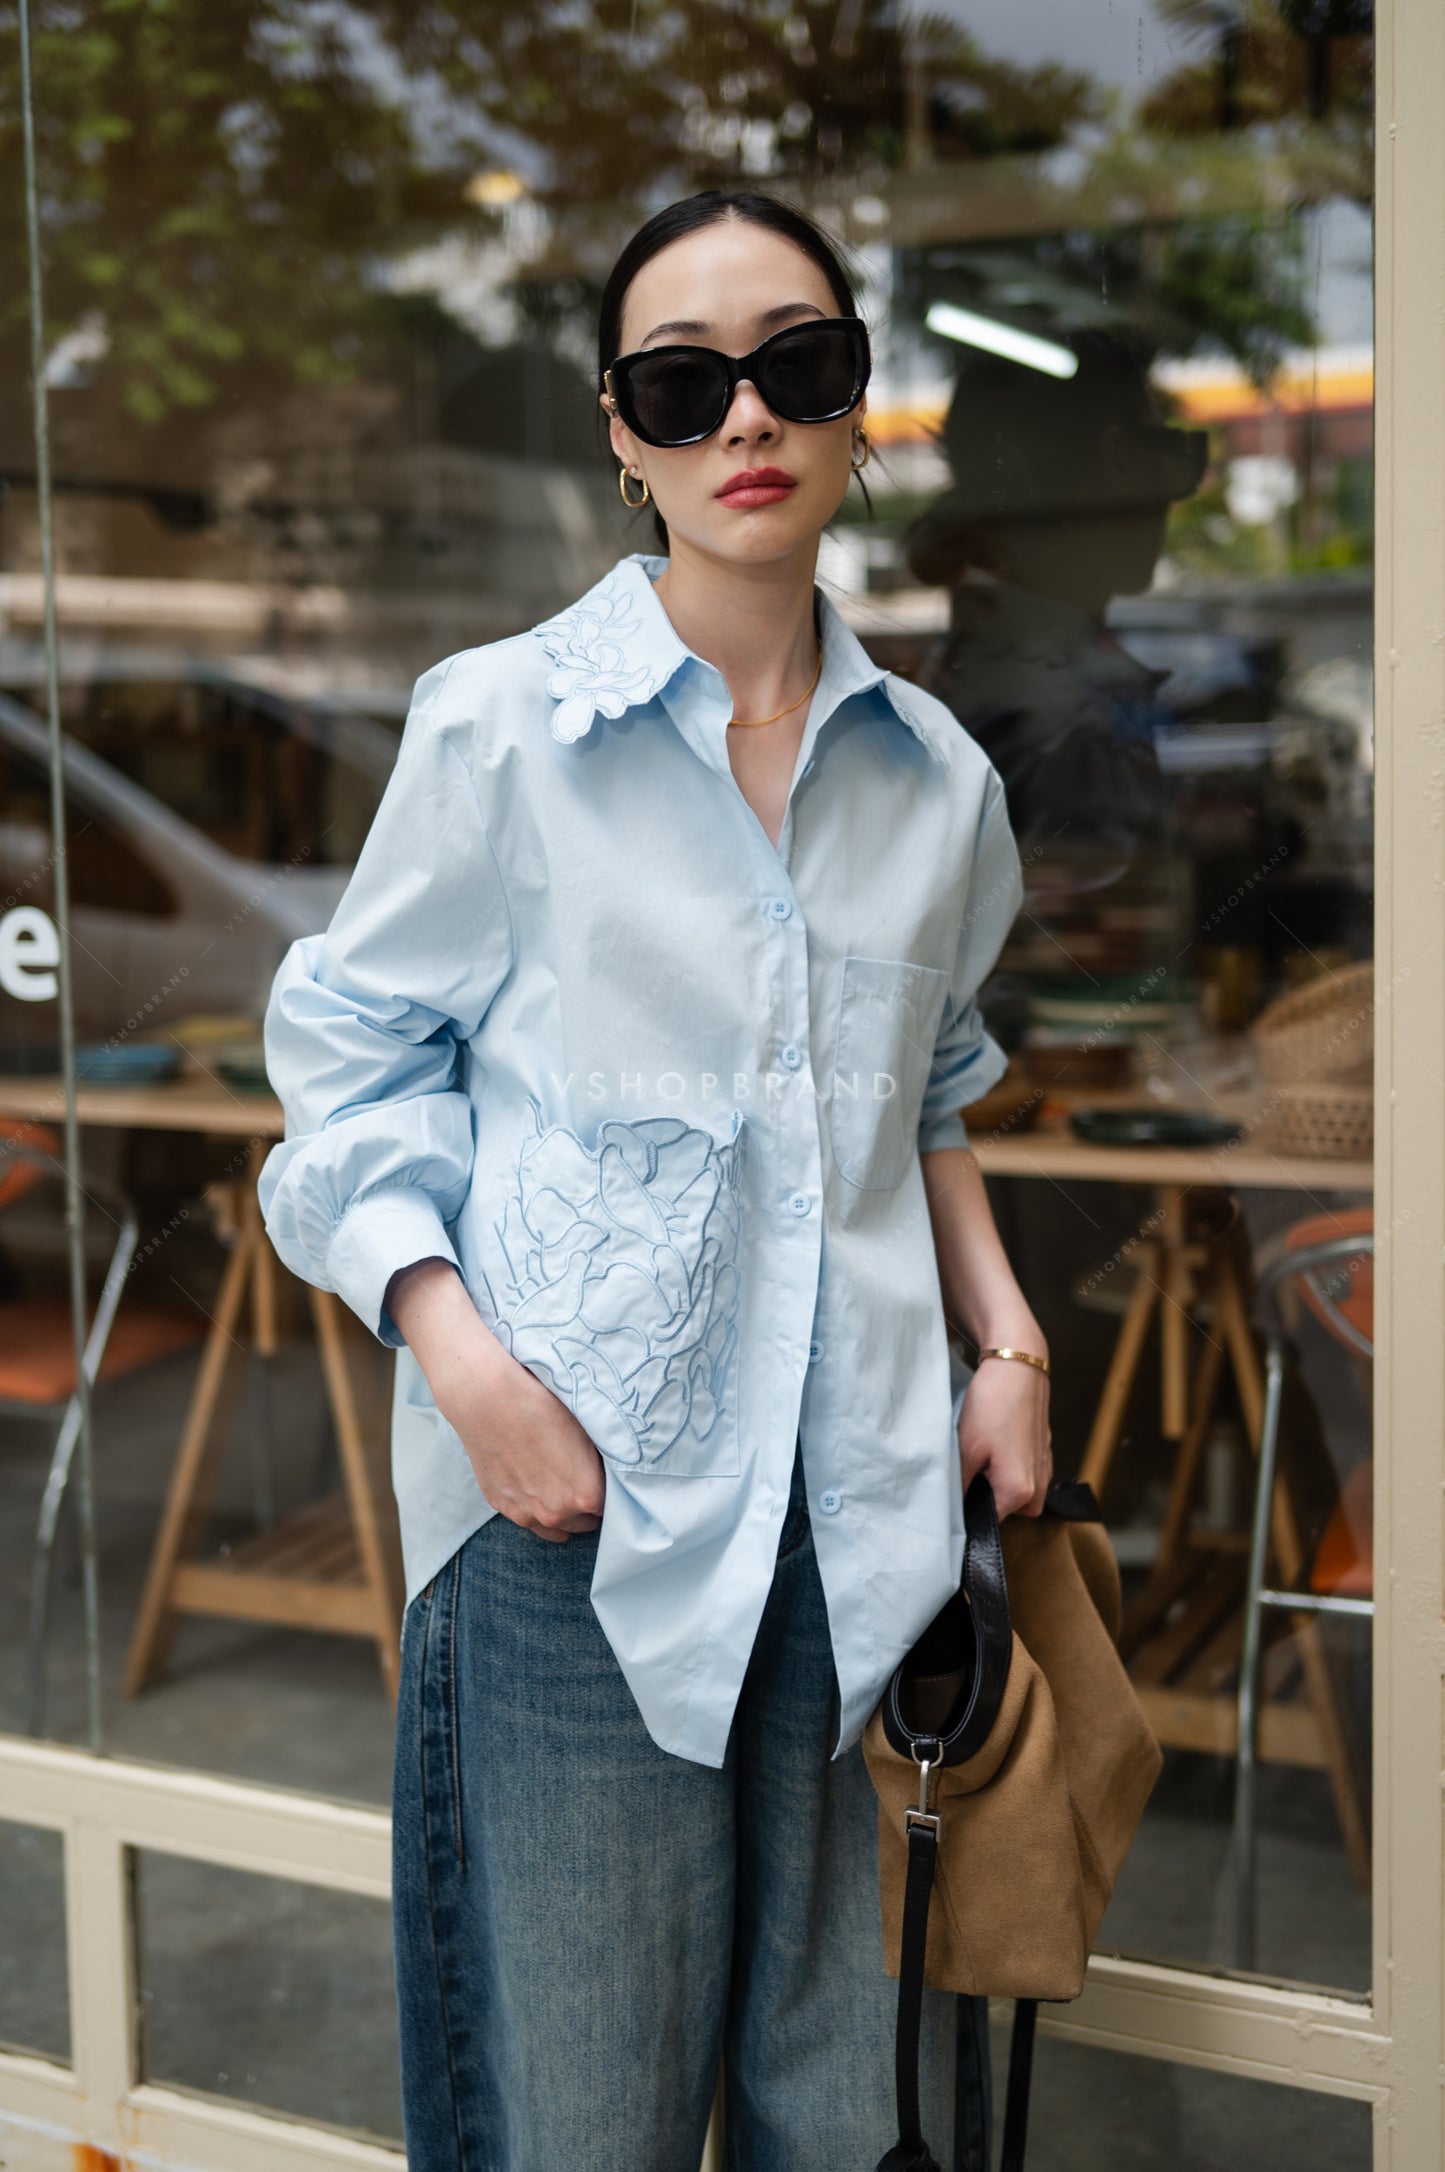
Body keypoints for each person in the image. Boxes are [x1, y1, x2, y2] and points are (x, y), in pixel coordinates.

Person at [259, 187, 1051, 2172]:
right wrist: (468, 1368)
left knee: (843, 2123)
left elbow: (929, 1086)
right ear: (621, 432)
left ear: (866, 403)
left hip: (863, 1532)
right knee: (583, 2130)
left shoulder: (940, 784)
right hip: (572, 1536)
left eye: (798, 366)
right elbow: (345, 1072)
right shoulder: (503, 732)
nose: (744, 423)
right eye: (682, 386)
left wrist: (1011, 1341)